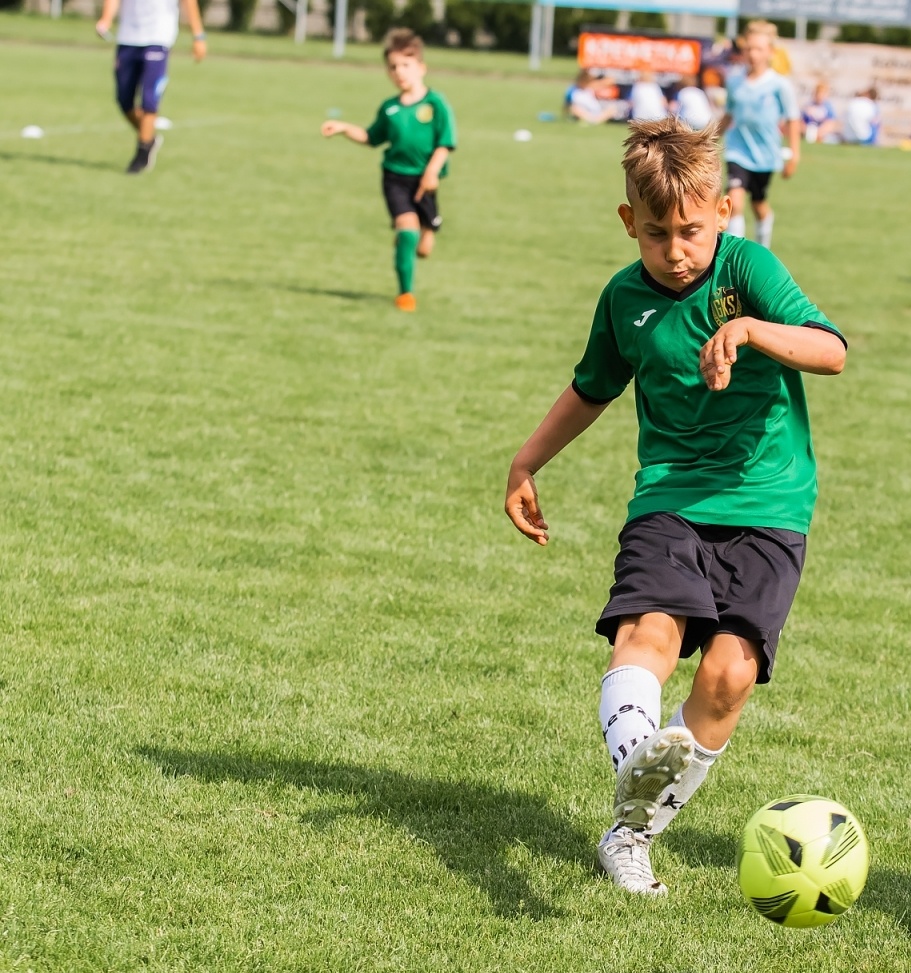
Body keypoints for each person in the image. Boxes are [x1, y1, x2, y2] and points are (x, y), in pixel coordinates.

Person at [503, 119, 847, 897]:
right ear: (630, 223)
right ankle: (634, 757)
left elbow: (832, 350)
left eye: (690, 230)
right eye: (656, 233)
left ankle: (631, 832)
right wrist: (527, 461)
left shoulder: (747, 268)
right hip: (670, 497)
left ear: (724, 211)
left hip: (768, 503)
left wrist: (754, 330)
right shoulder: (624, 299)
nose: (675, 248)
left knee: (728, 676)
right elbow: (593, 386)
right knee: (647, 631)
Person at [320, 29, 455, 313]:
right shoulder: (390, 108)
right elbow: (371, 137)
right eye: (393, 67)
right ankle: (405, 294)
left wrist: (432, 172)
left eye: (405, 65)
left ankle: (425, 230)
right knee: (408, 233)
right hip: (395, 177)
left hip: (426, 180)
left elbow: (445, 144)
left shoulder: (436, 104)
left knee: (423, 249)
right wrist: (344, 128)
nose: (399, 72)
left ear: (421, 67)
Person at [95, 0, 205, 174]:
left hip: (158, 37)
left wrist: (198, 36)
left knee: (149, 100)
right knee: (124, 99)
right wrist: (106, 19)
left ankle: (142, 152)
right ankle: (149, 138)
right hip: (128, 37)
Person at [718, 20, 801, 248]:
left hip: (764, 154)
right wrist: (707, 140)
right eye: (749, 48)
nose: (753, 54)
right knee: (734, 201)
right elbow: (728, 115)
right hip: (737, 149)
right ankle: (736, 256)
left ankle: (763, 248)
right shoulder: (735, 81)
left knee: (759, 204)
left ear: (770, 53)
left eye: (759, 49)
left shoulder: (779, 85)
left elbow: (793, 120)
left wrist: (794, 154)